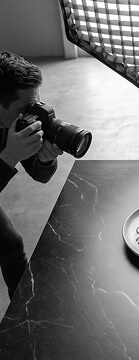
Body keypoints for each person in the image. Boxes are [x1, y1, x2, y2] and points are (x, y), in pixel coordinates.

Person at [0, 52, 63, 299]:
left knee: (11, 246)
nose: (34, 114)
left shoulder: (14, 122)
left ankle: (24, 317)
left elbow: (40, 175)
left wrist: (45, 159)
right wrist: (6, 159)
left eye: (36, 103)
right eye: (26, 108)